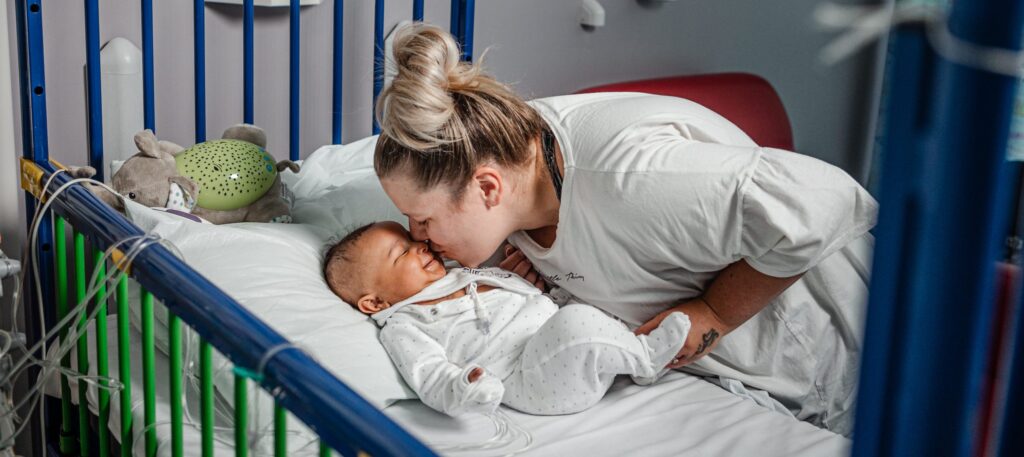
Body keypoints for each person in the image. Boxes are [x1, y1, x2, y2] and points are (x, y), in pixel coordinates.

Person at [372, 23, 877, 436]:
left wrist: (716, 311)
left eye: (424, 219)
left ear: (486, 189)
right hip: (748, 388)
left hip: (840, 358)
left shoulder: (633, 176)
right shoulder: (512, 178)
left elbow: (824, 200)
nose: (416, 236)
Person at [323, 221, 692, 417]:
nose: (419, 243)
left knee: (585, 306)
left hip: (555, 337)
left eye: (411, 237)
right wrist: (465, 389)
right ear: (374, 303)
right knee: (578, 324)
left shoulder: (460, 272)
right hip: (531, 379)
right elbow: (429, 373)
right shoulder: (405, 323)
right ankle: (645, 359)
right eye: (401, 252)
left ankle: (621, 343)